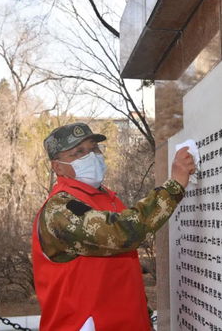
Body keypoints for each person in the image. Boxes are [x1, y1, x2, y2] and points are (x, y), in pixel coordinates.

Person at [32, 122, 195, 331]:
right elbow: (121, 233)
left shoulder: (105, 198)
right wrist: (175, 186)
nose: (90, 156)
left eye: (93, 148)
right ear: (57, 166)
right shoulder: (60, 209)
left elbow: (121, 273)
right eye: (78, 152)